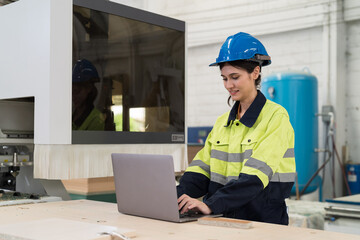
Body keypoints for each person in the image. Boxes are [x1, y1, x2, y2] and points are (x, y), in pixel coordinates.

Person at [177, 32, 295, 225]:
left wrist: (212, 205)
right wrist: (177, 196)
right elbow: (201, 169)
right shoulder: (222, 123)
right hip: (221, 221)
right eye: (224, 78)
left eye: (235, 77)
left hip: (261, 224)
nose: (229, 85)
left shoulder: (276, 118)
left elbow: (255, 178)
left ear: (255, 72)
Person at [72, 59, 105, 131]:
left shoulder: (97, 119)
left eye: (76, 91)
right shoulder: (72, 115)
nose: (73, 97)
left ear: (88, 88)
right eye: (71, 92)